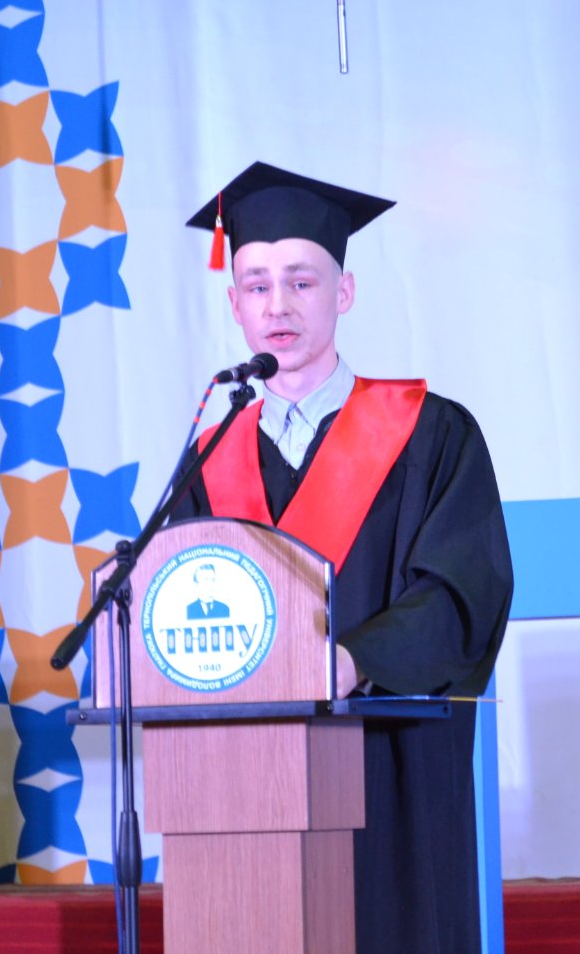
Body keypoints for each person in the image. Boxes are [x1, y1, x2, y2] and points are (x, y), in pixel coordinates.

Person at [170, 161, 514, 954]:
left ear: (344, 292)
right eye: (256, 285)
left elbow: (462, 592)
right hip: (243, 785)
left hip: (387, 772)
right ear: (234, 304)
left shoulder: (431, 434)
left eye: (302, 281)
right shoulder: (208, 458)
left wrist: (355, 658)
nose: (278, 305)